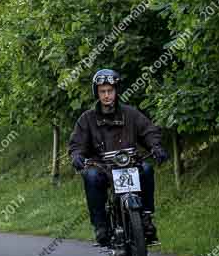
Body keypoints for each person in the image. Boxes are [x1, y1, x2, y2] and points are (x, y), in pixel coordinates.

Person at [69, 69, 168, 246]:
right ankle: (100, 226)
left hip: (131, 164)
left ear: (116, 91)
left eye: (110, 91)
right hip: (102, 168)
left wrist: (156, 147)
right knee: (90, 176)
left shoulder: (131, 114)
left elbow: (148, 131)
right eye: (102, 91)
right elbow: (77, 143)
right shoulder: (87, 119)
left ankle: (145, 218)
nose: (107, 95)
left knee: (146, 169)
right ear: (97, 93)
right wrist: (77, 156)